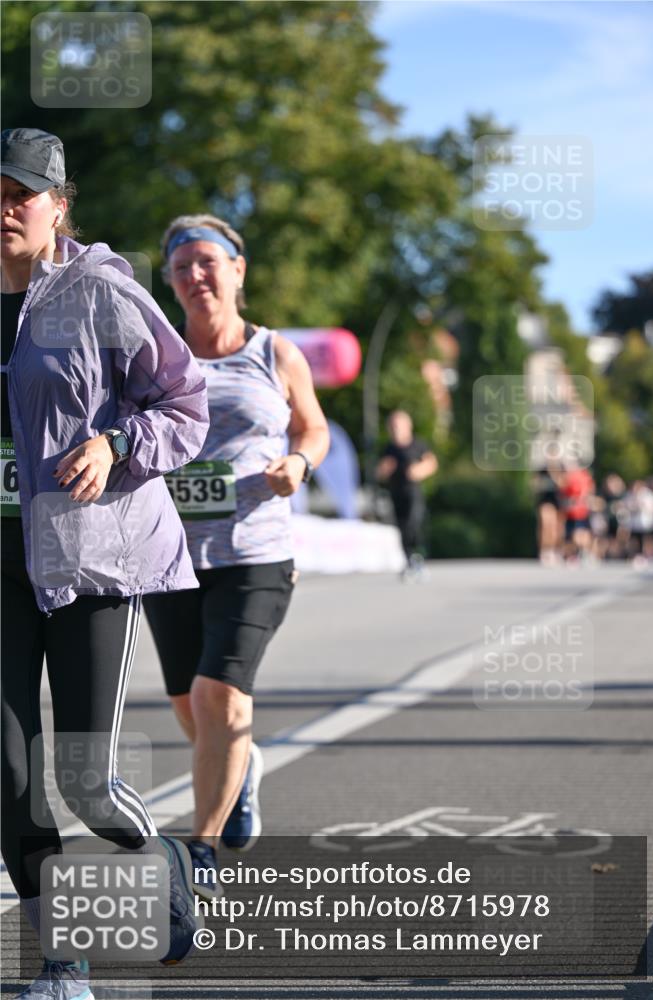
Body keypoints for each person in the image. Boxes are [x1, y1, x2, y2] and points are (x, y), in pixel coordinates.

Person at [1, 129, 210, 998]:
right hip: (2, 567)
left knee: (87, 783)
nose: (6, 208)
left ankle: (163, 862)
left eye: (22, 193)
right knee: (10, 783)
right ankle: (66, 959)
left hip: (93, 555)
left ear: (58, 205)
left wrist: (118, 440)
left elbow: (185, 404)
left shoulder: (100, 293)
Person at [142, 214, 329, 897]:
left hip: (255, 552)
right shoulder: (157, 356)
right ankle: (241, 765)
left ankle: (201, 852)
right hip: (167, 556)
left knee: (216, 695)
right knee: (189, 707)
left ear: (237, 269)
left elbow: (312, 423)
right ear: (168, 281)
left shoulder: (273, 351)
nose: (195, 275)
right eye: (181, 266)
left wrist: (300, 462)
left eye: (207, 261)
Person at [375, 410, 438, 580]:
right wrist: (384, 470)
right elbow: (379, 473)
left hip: (413, 493)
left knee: (413, 524)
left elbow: (432, 463)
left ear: (407, 426)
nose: (395, 429)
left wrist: (419, 470)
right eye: (392, 426)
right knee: (401, 528)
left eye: (398, 425)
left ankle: (419, 559)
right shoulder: (389, 448)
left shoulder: (418, 444)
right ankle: (409, 561)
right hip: (396, 493)